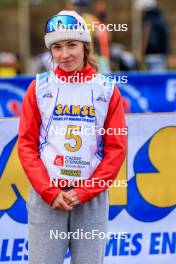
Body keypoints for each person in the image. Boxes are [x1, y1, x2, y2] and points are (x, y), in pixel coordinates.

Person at [18, 10, 126, 264]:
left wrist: (85, 191)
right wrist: (49, 191)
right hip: (48, 197)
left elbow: (116, 148)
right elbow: (26, 144)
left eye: (71, 45)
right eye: (56, 47)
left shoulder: (107, 89)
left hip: (90, 199)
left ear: (85, 46)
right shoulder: (39, 87)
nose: (64, 54)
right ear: (50, 51)